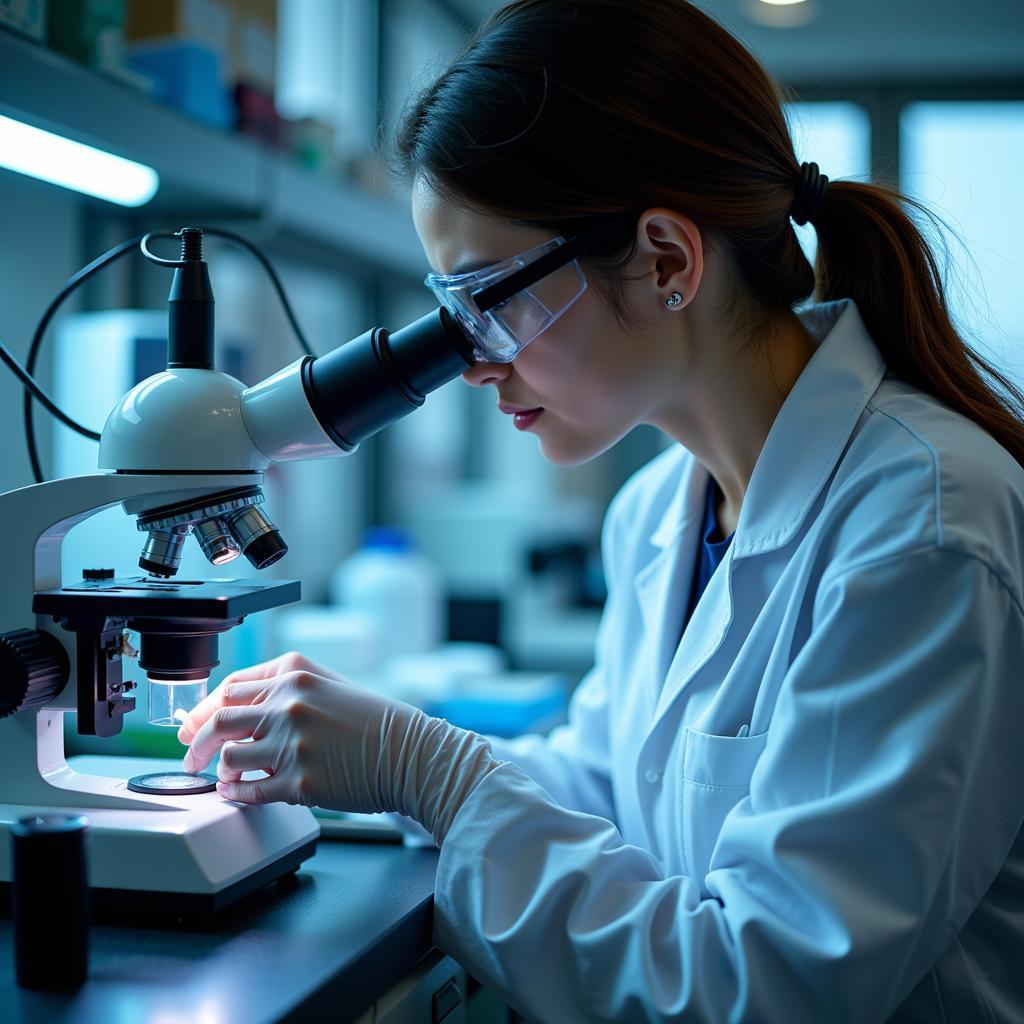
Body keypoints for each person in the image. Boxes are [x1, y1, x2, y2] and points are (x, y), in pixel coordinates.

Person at [177, 1, 1024, 1020]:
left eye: (488, 298)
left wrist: (432, 771)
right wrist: (382, 753)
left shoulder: (923, 524)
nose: (473, 363)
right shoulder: (662, 511)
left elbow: (772, 990)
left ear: (667, 258)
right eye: (452, 317)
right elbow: (607, 789)